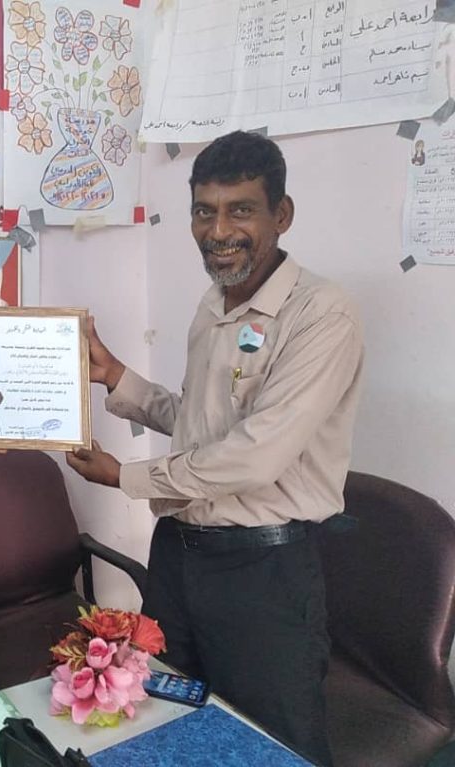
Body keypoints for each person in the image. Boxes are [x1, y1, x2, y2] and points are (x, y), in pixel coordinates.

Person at [65, 131, 363, 767]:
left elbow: (254, 455)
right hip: (179, 556)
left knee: (273, 747)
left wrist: (125, 477)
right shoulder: (215, 303)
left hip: (263, 572)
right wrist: (117, 377)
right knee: (170, 721)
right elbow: (204, 429)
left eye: (240, 210)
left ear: (282, 215)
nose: (219, 231)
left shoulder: (321, 315)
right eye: (205, 211)